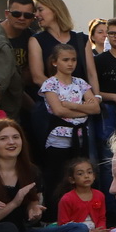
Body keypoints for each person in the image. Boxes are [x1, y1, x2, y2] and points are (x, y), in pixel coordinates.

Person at [38, 43, 101, 197]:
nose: (70, 63)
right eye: (65, 60)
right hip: (59, 138)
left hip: (80, 137)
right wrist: (83, 110)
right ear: (55, 62)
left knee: (81, 175)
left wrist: (72, 105)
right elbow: (58, 110)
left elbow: (95, 108)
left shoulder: (80, 82)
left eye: (73, 60)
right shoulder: (50, 83)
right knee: (58, 177)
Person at [56, 157, 116, 232]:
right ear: (72, 179)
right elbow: (63, 225)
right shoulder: (67, 199)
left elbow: (101, 218)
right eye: (80, 174)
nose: (86, 176)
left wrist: (101, 231)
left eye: (89, 172)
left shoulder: (99, 195)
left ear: (94, 176)